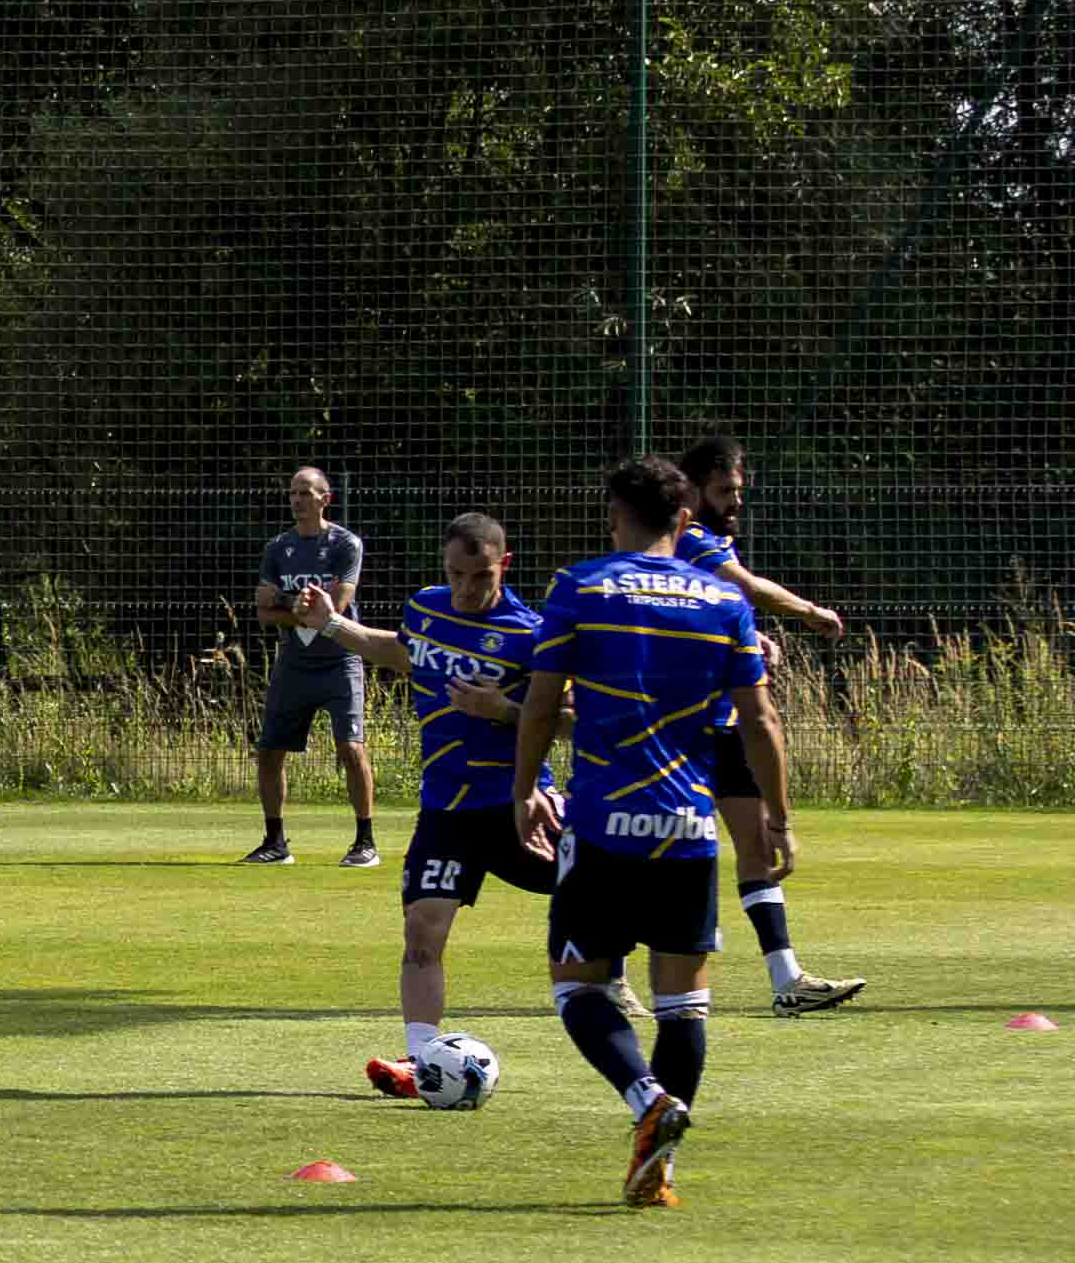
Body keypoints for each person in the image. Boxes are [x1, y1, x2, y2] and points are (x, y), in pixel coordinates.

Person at [513, 453, 786, 1212]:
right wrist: (778, 816)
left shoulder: (580, 587)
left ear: (614, 517)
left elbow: (542, 702)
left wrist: (526, 789)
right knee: (682, 1004)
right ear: (685, 519)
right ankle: (658, 1169)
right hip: (688, 829)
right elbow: (760, 720)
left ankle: (646, 1099)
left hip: (603, 824)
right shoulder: (723, 599)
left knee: (577, 985)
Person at [310, 511, 555, 1101]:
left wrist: (503, 711)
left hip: (518, 804)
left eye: (481, 575)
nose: (466, 588)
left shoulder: (532, 633)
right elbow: (402, 653)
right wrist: (332, 624)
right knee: (422, 929)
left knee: (606, 892)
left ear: (505, 564)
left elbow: (571, 719)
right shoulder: (425, 608)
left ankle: (630, 985)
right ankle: (421, 1064)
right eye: (455, 574)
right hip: (447, 809)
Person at [668, 429, 859, 1014]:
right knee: (657, 850)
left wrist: (755, 640)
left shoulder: (707, 543)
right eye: (724, 490)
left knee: (755, 845)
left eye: (738, 489)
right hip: (681, 726)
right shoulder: (691, 538)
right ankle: (611, 975)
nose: (736, 500)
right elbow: (745, 588)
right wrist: (811, 611)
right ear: (694, 491)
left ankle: (787, 980)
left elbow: (722, 612)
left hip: (722, 721)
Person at [243, 465, 376, 868]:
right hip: (294, 663)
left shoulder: (345, 544)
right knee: (270, 751)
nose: (298, 500)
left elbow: (335, 604)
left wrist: (286, 601)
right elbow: (264, 612)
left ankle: (365, 842)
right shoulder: (277, 548)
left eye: (306, 493)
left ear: (325, 499)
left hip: (340, 660)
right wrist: (296, 605)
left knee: (351, 748)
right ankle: (275, 842)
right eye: (293, 493)